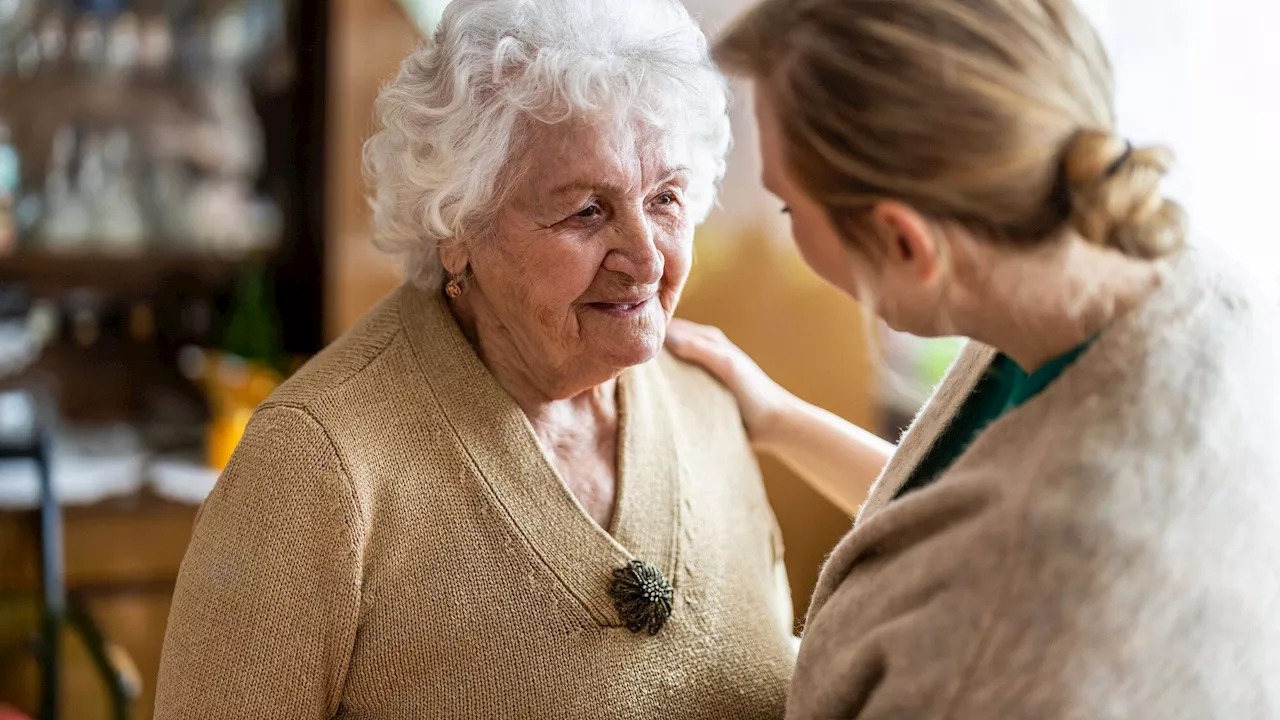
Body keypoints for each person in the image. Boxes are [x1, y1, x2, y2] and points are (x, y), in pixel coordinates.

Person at [153, 1, 797, 717]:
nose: (645, 256)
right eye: (587, 210)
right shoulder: (316, 466)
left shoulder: (710, 408)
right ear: (457, 226)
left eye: (666, 198)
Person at [667, 0, 1280, 717]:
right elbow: (957, 519)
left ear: (904, 243)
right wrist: (777, 418)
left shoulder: (1000, 637)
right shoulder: (1170, 276)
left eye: (786, 207)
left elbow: (994, 567)